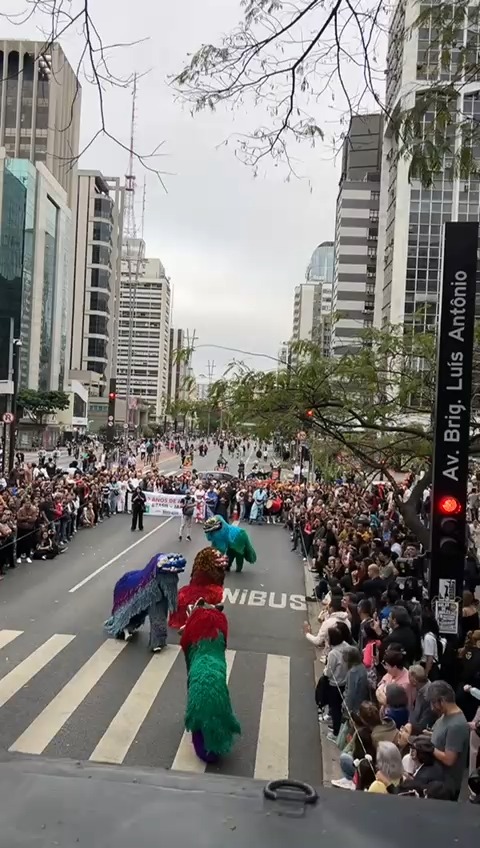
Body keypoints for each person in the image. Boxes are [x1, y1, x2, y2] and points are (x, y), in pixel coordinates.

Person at [104, 552, 186, 652]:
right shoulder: (149, 586)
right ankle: (124, 627)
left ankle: (158, 640)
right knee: (135, 611)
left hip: (160, 594)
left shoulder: (167, 579)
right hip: (152, 593)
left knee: (159, 615)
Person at [429, 679, 470, 800]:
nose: (432, 707)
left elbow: (449, 759)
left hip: (446, 787)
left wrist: (429, 748)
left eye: (433, 703)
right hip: (436, 778)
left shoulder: (456, 725)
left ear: (442, 701)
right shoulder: (444, 716)